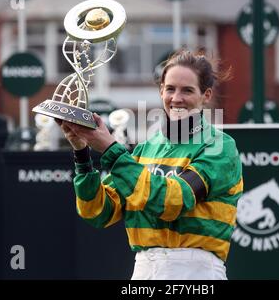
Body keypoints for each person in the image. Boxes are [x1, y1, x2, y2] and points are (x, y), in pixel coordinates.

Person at [57, 49, 243, 280]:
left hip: (195, 272)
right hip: (144, 269)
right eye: (170, 89)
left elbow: (172, 202)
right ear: (161, 90)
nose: (176, 98)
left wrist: (110, 148)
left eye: (187, 90)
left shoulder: (220, 147)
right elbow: (97, 212)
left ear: (206, 95)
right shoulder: (145, 150)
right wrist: (81, 151)